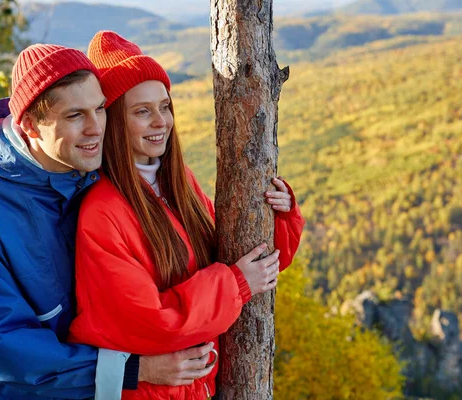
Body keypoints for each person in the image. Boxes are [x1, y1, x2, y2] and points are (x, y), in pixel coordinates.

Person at [0, 43, 218, 400]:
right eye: (75, 116)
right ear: (30, 125)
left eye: (99, 109)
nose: (96, 128)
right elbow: (8, 347)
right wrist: (136, 368)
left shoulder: (97, 175)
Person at [68, 31, 306, 400]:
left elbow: (256, 264)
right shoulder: (102, 213)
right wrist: (237, 284)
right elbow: (150, 323)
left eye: (165, 107)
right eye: (142, 111)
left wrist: (279, 214)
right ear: (114, 121)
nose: (161, 121)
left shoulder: (178, 185)